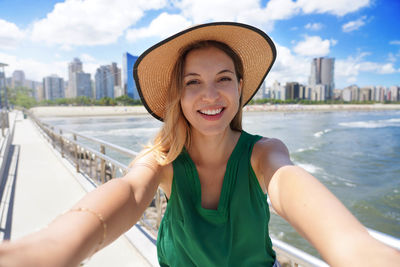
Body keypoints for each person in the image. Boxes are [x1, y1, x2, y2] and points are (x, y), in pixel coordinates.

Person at [0, 22, 399, 267]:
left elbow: (294, 188)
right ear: (178, 94)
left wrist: (362, 252)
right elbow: (127, 192)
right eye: (193, 82)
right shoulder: (163, 159)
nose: (210, 95)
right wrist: (51, 247)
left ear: (240, 88)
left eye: (223, 79)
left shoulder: (264, 154)